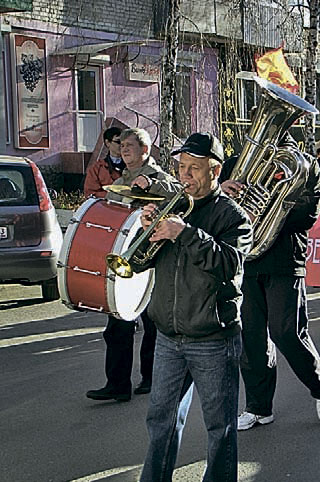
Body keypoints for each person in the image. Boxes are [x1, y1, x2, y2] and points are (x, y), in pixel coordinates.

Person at [135, 132, 252, 481]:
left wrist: (183, 233)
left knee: (219, 427)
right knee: (160, 421)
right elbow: (140, 263)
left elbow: (230, 263)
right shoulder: (171, 206)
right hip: (169, 335)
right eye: (182, 167)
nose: (185, 176)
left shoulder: (232, 215)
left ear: (214, 171)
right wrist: (146, 232)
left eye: (194, 169)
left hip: (213, 337)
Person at [219, 134, 320, 431]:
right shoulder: (237, 164)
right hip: (247, 260)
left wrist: (269, 205)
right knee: (251, 339)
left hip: (285, 260)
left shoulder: (303, 165)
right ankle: (259, 408)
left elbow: (308, 214)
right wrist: (224, 193)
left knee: (287, 333)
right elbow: (215, 207)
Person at [86, 128, 179, 402]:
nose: (124, 149)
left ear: (146, 150)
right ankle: (117, 384)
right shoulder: (120, 181)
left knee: (153, 323)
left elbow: (178, 196)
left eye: (130, 146)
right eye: (122, 145)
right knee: (117, 324)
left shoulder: (159, 177)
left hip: (152, 262)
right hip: (125, 258)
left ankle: (151, 378)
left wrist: (152, 187)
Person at [83, 127, 125, 198]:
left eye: (124, 142)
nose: (122, 145)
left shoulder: (133, 165)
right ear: (107, 143)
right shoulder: (97, 168)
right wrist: (111, 196)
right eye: (118, 142)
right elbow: (90, 192)